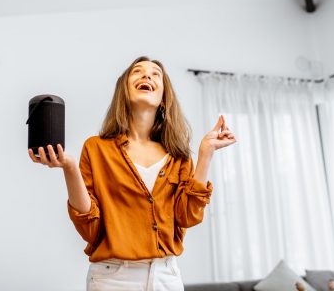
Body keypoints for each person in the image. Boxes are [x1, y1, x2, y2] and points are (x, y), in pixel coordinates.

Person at [28, 56, 236, 290]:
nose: (147, 75)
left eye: (155, 74)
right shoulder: (96, 148)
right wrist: (69, 168)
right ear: (124, 91)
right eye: (137, 72)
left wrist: (206, 153)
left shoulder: (179, 155)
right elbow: (90, 228)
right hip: (113, 278)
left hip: (167, 276)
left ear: (164, 98)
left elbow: (187, 216)